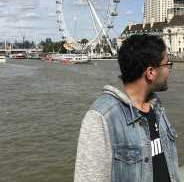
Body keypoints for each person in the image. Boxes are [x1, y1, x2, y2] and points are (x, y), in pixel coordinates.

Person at [74, 34, 180, 182]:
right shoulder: (101, 117)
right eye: (167, 64)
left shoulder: (157, 107)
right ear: (150, 73)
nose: (169, 69)